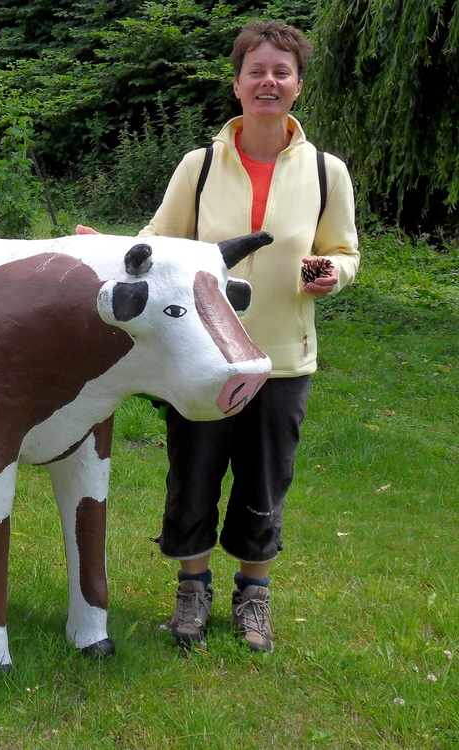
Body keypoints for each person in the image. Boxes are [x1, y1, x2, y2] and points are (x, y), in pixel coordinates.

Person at [139, 20, 360, 652]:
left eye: (281, 72)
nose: (268, 81)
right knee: (193, 478)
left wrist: (333, 273)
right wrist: (113, 253)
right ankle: (192, 589)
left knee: (265, 484)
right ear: (236, 85)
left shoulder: (327, 171)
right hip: (200, 357)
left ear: (297, 86)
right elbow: (158, 240)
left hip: (281, 362)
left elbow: (343, 251)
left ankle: (253, 596)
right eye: (256, 71)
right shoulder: (200, 165)